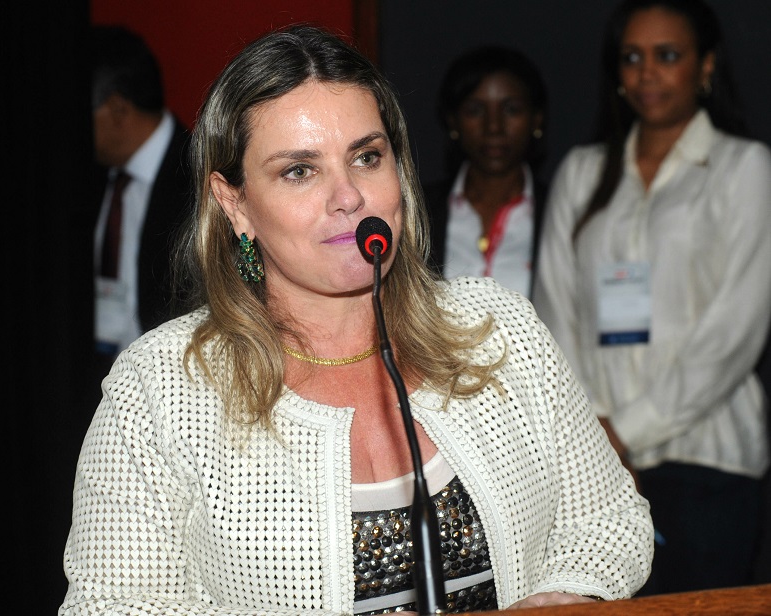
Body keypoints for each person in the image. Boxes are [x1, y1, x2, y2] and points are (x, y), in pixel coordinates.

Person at [61, 25, 652, 615]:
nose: (348, 196)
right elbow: (108, 606)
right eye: (299, 170)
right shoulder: (160, 386)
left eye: (367, 157)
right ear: (234, 203)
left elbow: (609, 518)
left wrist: (567, 594)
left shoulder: (500, 327)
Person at [535, 0, 771, 595]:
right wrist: (593, 435)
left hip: (707, 458)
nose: (647, 73)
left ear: (706, 65)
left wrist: (624, 432)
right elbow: (554, 313)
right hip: (591, 471)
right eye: (632, 57)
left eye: (667, 55)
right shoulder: (582, 172)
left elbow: (735, 331)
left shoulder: (745, 168)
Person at [91, 26, 193, 364]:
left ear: (118, 109)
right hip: (99, 371)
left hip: (171, 375)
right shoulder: (92, 175)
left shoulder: (201, 177)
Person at [427, 47, 547, 298]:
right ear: (452, 120)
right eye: (476, 110)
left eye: (511, 109)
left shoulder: (559, 210)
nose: (494, 127)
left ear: (536, 119)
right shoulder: (419, 211)